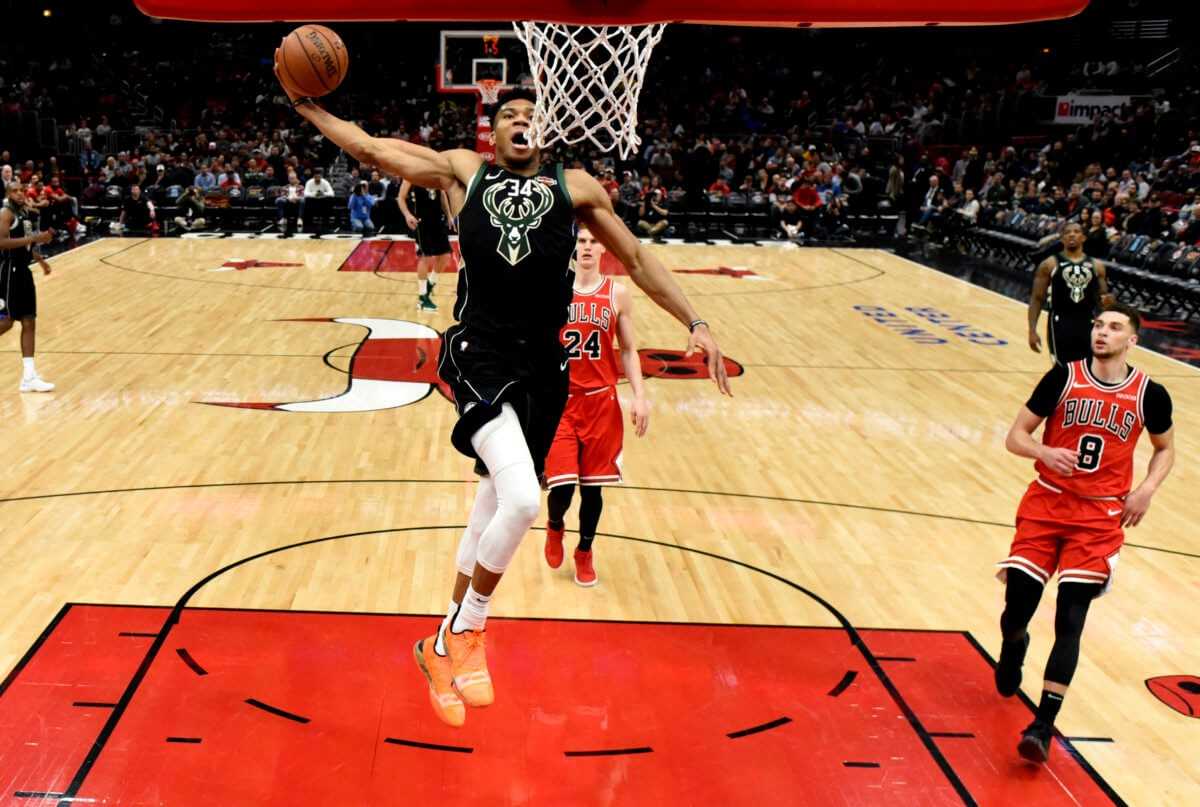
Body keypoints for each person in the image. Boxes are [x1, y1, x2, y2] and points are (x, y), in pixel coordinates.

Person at [274, 49, 730, 728]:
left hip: (546, 369)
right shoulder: (465, 171)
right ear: (494, 132)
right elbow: (372, 149)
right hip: (479, 354)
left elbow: (635, 258)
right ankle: (467, 629)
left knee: (488, 507)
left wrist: (696, 321)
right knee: (520, 499)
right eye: (509, 114)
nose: (520, 121)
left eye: (530, 115)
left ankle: (439, 647)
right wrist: (308, 106)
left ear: (546, 130)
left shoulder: (576, 187)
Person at [995, 302, 1174, 762]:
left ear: (1132, 340)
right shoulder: (1063, 377)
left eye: (1114, 327)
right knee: (1017, 609)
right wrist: (1043, 451)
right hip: (1046, 503)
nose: (1102, 332)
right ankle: (1014, 644)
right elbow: (1015, 436)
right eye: (1098, 325)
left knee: (1070, 617)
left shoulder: (1150, 394)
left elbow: (1164, 449)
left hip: (1099, 517)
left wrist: (1146, 489)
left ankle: (1042, 724)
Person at [543, 224, 649, 586]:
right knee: (561, 487)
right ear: (574, 247)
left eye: (594, 242)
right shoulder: (555, 290)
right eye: (582, 241)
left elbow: (629, 350)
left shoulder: (618, 294)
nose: (587, 247)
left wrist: (640, 396)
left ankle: (584, 551)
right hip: (560, 402)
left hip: (601, 402)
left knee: (593, 489)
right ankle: (554, 525)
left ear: (604, 248)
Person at [1027, 222, 1113, 365]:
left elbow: (1104, 301)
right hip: (1060, 321)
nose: (1072, 235)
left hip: (1087, 322)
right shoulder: (1049, 264)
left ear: (1084, 238)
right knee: (1063, 368)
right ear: (1062, 239)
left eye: (1076, 232)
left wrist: (1109, 305)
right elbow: (1037, 298)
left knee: (1087, 369)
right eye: (1067, 232)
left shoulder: (1097, 266)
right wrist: (1032, 330)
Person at [0, 181, 56, 392]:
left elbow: (27, 244)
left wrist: (40, 260)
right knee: (6, 322)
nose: (20, 193)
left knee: (29, 321)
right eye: (15, 191)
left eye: (22, 190)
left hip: (23, 270)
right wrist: (34, 238)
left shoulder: (24, 213)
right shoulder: (6, 213)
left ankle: (29, 376)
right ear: (8, 194)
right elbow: (1, 242)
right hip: (9, 272)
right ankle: (29, 377)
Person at [398, 178, 454, 312]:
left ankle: (430, 284)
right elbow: (400, 198)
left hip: (437, 221)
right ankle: (422, 299)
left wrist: (449, 215)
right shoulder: (411, 176)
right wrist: (407, 215)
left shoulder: (435, 174)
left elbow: (442, 195)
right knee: (426, 257)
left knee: (445, 256)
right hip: (421, 222)